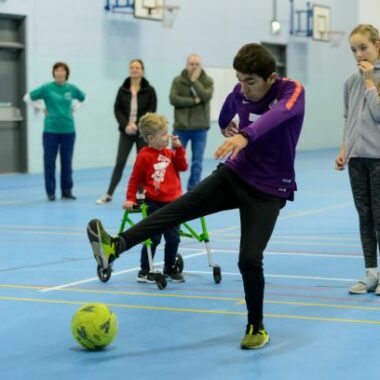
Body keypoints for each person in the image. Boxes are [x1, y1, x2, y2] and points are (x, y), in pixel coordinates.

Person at [87, 43, 305, 349]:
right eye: (240, 79)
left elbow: (281, 113)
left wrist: (245, 134)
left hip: (269, 189)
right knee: (178, 208)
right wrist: (225, 126)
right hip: (236, 174)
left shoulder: (291, 90)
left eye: (251, 81)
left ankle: (256, 326)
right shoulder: (240, 91)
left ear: (270, 77)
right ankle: (115, 246)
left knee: (249, 259)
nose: (244, 87)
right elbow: (227, 112)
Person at [335, 24, 380, 296]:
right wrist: (344, 149)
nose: (358, 54)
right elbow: (348, 118)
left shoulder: (367, 80)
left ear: (378, 46)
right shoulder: (349, 81)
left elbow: (378, 113)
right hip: (357, 159)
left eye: (363, 47)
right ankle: (371, 272)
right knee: (364, 216)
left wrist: (370, 82)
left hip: (378, 160)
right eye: (354, 49)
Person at [123, 112, 188, 283]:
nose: (168, 136)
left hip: (174, 204)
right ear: (151, 138)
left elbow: (183, 166)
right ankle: (145, 270)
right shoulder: (144, 156)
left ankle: (170, 267)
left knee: (174, 238)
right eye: (164, 134)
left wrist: (179, 149)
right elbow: (134, 179)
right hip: (155, 204)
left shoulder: (169, 153)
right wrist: (130, 198)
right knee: (152, 238)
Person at [96, 59, 157, 204]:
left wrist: (137, 125)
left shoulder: (150, 90)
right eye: (132, 67)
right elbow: (117, 109)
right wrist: (126, 125)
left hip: (142, 132)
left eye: (137, 67)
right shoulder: (122, 89)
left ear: (142, 70)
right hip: (126, 132)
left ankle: (142, 194)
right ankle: (109, 193)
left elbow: (151, 110)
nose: (134, 70)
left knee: (141, 163)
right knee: (120, 162)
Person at [24, 62, 85, 201]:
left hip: (68, 130)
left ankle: (67, 191)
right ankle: (50, 192)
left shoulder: (72, 89)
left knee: (67, 162)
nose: (59, 73)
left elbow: (84, 98)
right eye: (57, 70)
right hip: (50, 131)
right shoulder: (47, 88)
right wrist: (41, 108)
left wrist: (75, 108)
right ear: (54, 73)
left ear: (66, 73)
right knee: (49, 162)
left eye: (62, 70)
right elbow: (27, 97)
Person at [169, 54, 213, 191]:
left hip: (200, 129)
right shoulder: (178, 81)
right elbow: (174, 99)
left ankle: (192, 190)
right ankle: (171, 188)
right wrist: (194, 101)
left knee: (197, 162)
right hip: (180, 128)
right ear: (187, 65)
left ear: (200, 65)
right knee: (173, 159)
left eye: (197, 64)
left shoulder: (207, 81)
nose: (194, 66)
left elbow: (206, 96)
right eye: (191, 64)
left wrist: (195, 82)